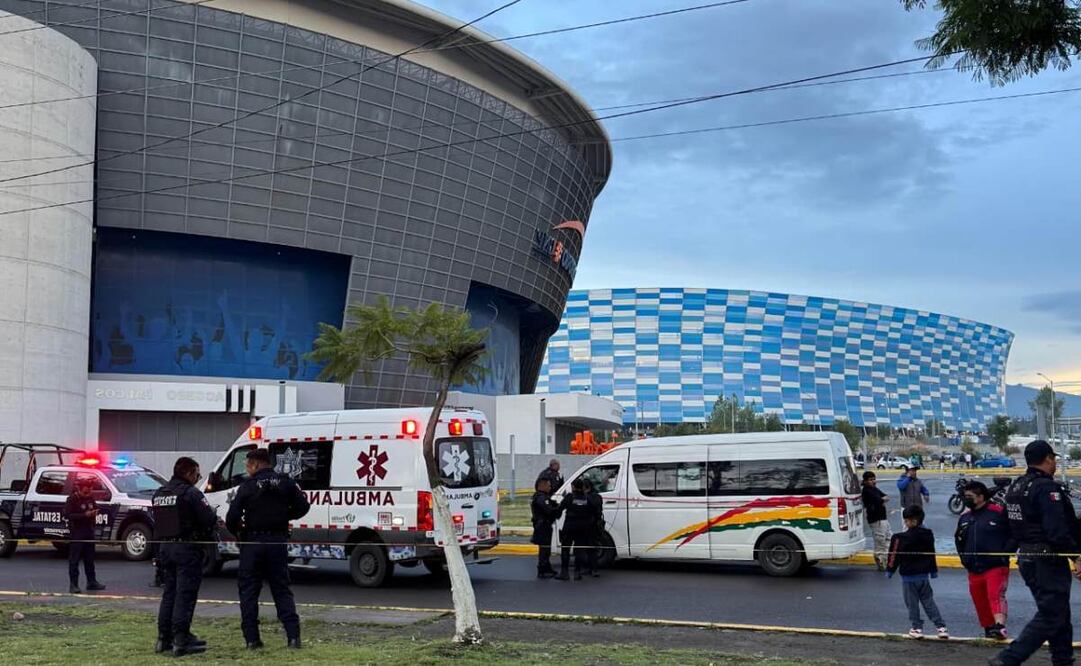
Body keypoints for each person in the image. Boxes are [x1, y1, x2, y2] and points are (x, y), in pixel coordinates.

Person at [991, 440, 1081, 666]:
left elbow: (1007, 525)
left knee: (1059, 613)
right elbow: (1057, 531)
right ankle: (1008, 659)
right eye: (1054, 459)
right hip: (1047, 559)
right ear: (1048, 459)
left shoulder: (1016, 487)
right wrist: (1076, 556)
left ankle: (1063, 661)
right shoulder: (1046, 488)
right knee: (1052, 615)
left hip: (1028, 557)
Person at [226, 449, 310, 650]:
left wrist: (240, 533)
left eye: (248, 465)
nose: (247, 469)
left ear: (255, 464)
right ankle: (293, 637)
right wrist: (284, 516)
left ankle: (252, 639)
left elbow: (231, 518)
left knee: (248, 592)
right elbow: (303, 507)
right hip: (277, 542)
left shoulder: (247, 486)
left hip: (253, 543)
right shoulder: (286, 483)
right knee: (281, 590)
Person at [152, 457, 217, 657]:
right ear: (188, 473)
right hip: (186, 548)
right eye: (197, 474)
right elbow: (208, 518)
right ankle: (181, 639)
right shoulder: (191, 494)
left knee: (169, 593)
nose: (198, 477)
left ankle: (163, 638)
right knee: (185, 595)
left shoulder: (159, 493)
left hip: (165, 548)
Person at [955, 480, 1013, 640]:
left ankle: (1000, 626)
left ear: (981, 497)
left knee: (996, 595)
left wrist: (1004, 553)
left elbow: (1014, 534)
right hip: (973, 567)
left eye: (969, 496)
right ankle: (989, 629)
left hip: (995, 566)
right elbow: (959, 539)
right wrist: (964, 558)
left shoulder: (998, 512)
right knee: (979, 600)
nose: (966, 499)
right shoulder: (965, 517)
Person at [887, 505, 949, 640]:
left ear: (913, 521)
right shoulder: (928, 534)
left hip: (908, 577)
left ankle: (917, 628)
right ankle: (941, 627)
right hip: (923, 576)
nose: (905, 523)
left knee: (912, 604)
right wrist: (933, 571)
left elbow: (894, 555)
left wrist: (890, 570)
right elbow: (931, 554)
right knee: (929, 601)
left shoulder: (899, 538)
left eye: (906, 520)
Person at [65, 475, 105, 594]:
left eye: (90, 490)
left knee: (90, 559)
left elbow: (95, 507)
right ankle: (74, 585)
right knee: (75, 560)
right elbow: (68, 515)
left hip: (89, 531)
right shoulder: (72, 499)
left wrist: (95, 512)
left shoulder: (90, 498)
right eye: (86, 491)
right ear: (79, 488)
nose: (88, 493)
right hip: (77, 532)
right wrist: (84, 515)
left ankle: (91, 582)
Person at [557, 479, 600, 581]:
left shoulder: (569, 497)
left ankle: (564, 573)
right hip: (582, 528)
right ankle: (577, 573)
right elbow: (595, 512)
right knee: (579, 550)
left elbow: (560, 509)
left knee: (565, 549)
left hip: (569, 527)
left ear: (574, 487)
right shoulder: (588, 498)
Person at [530, 477, 561, 578]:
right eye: (548, 485)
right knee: (544, 549)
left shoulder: (543, 497)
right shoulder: (541, 498)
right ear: (542, 486)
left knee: (546, 548)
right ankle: (542, 569)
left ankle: (546, 567)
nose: (550, 487)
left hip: (544, 525)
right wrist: (558, 509)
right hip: (542, 525)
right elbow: (549, 510)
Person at [862, 471, 892, 571]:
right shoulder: (866, 491)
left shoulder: (874, 489)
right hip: (876, 520)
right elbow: (880, 500)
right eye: (870, 480)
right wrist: (882, 500)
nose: (873, 481)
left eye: (874, 479)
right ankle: (881, 564)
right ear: (865, 481)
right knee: (880, 542)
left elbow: (886, 497)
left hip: (883, 518)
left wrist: (882, 500)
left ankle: (886, 561)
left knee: (888, 539)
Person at [582, 477, 604, 577]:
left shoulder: (587, 498)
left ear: (587, 488)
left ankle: (593, 568)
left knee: (589, 547)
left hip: (589, 525)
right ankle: (592, 568)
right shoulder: (598, 496)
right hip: (596, 524)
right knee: (592, 547)